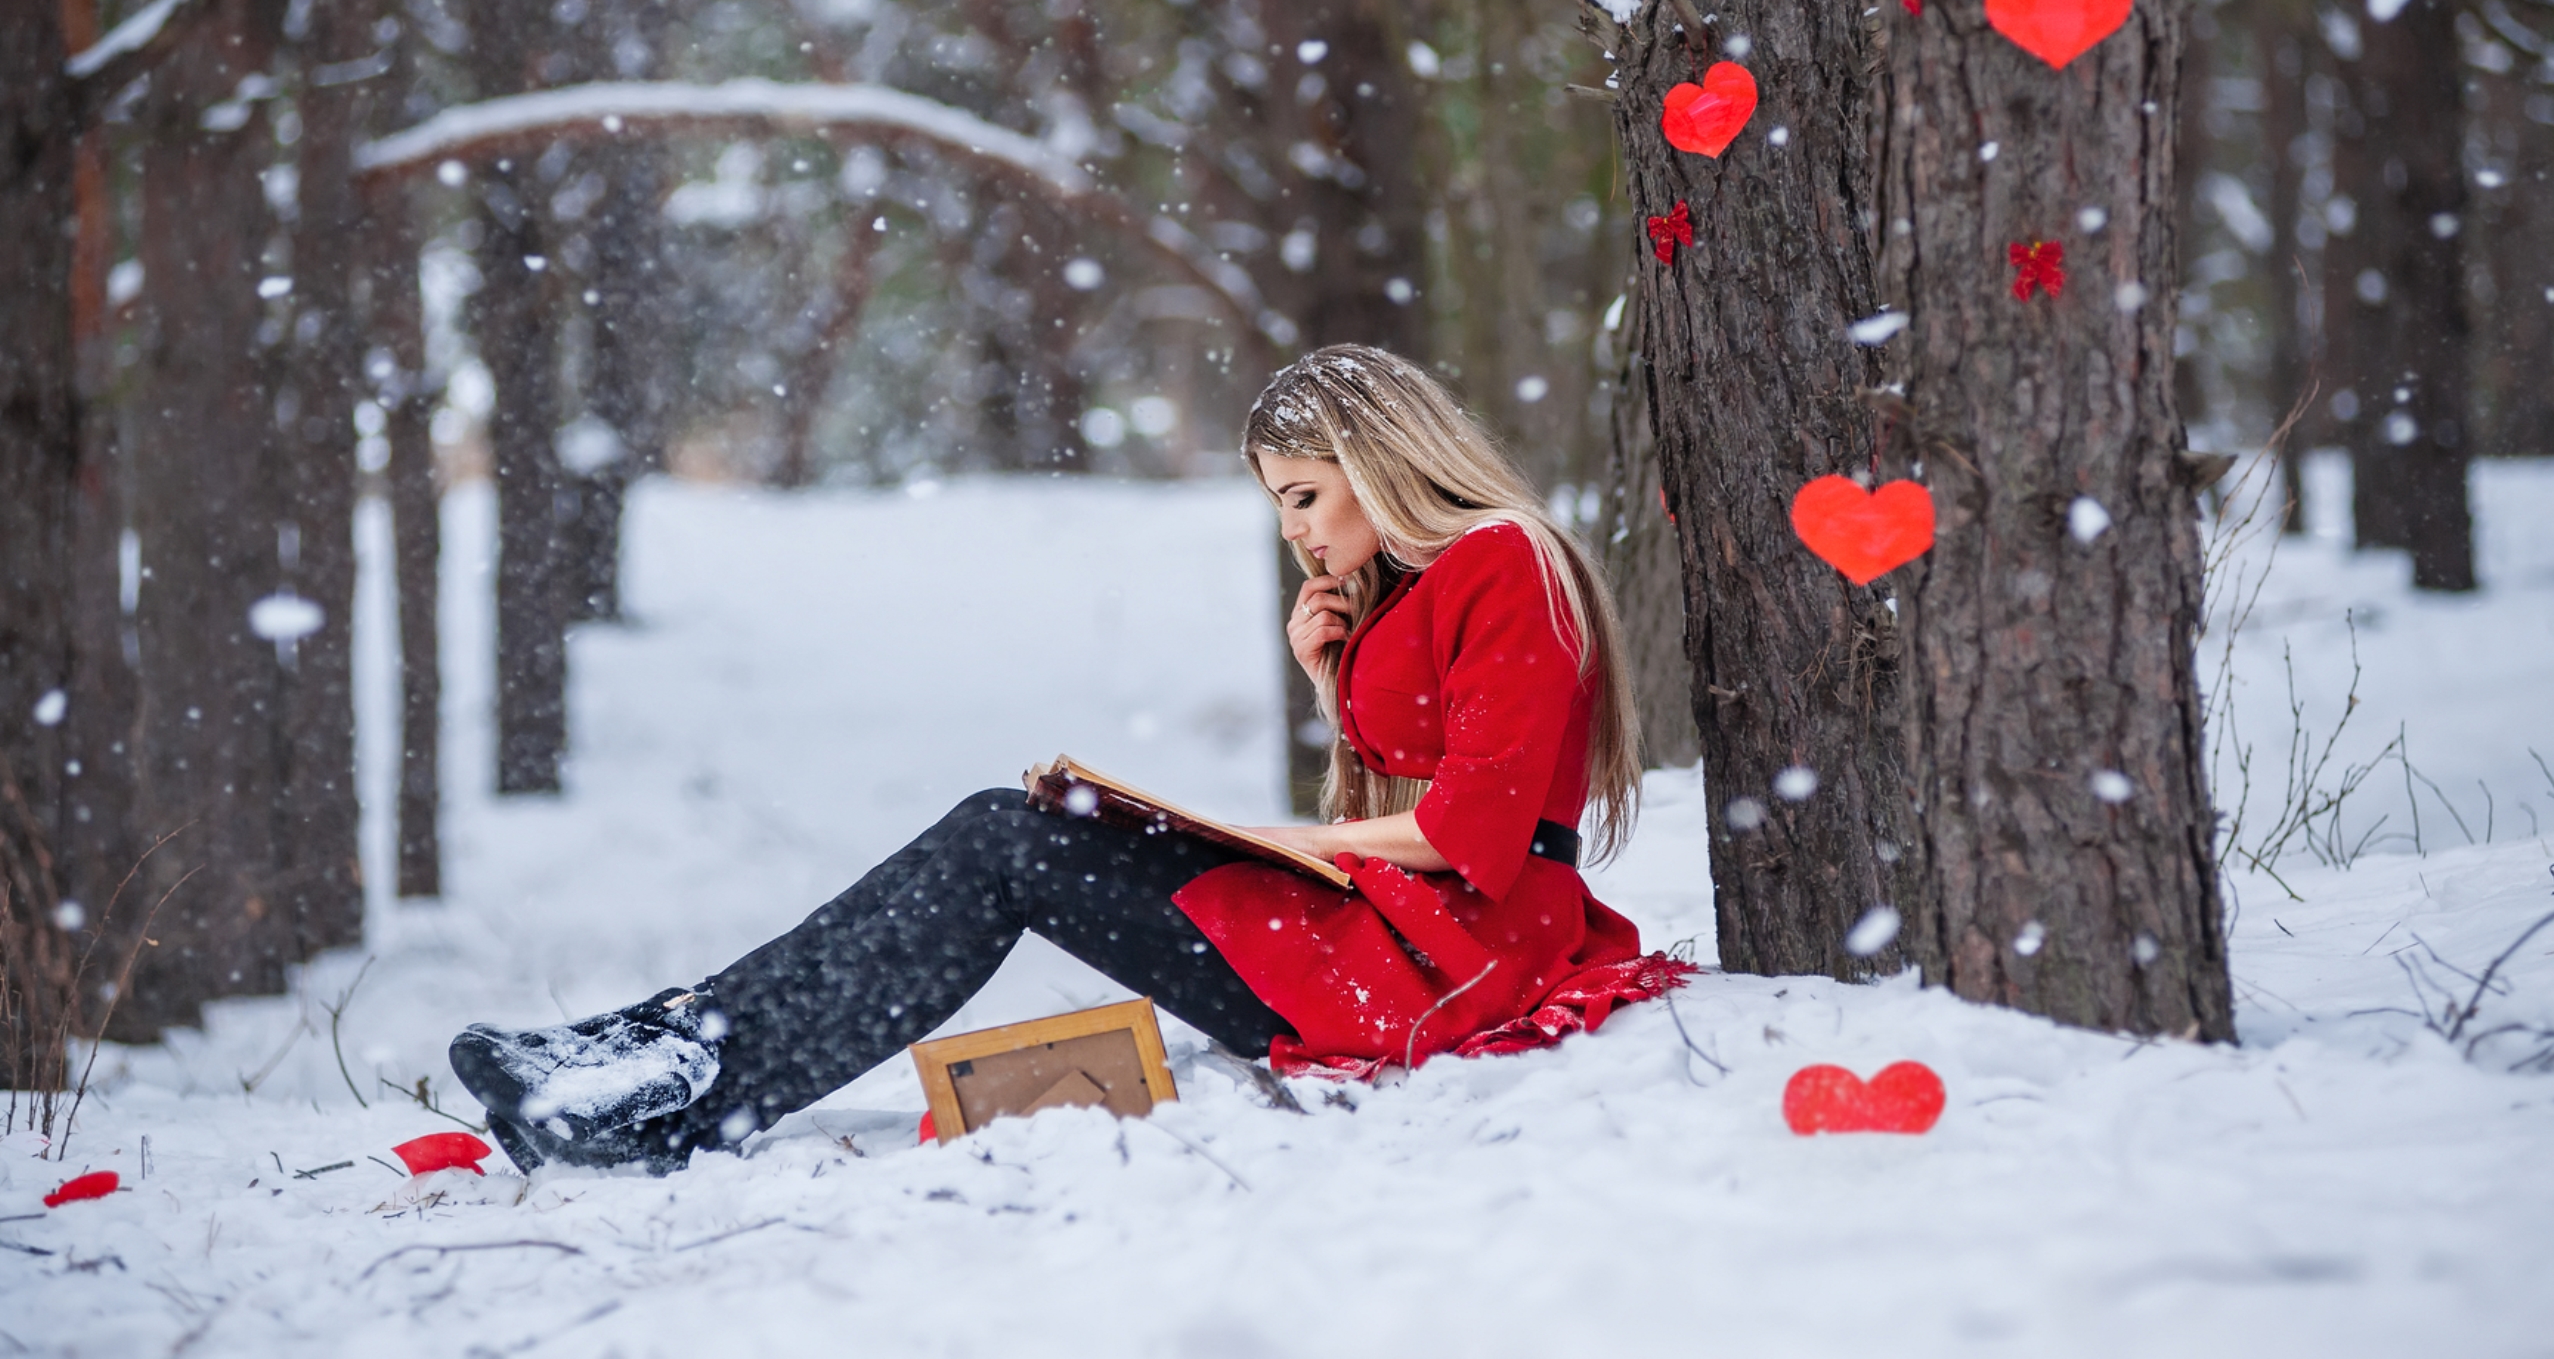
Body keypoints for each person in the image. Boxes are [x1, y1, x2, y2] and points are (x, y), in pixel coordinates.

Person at [449, 346, 1686, 1174]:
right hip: (1387, 936)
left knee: (1000, 839)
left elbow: (1469, 831)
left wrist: (1249, 832)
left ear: (1382, 458)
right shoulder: (1407, 588)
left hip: (1451, 957)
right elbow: (1403, 802)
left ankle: (679, 1088)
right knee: (1005, 825)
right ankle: (654, 1053)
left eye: (1306, 496)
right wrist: (1330, 688)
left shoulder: (1504, 556)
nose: (1297, 533)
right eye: (1280, 507)